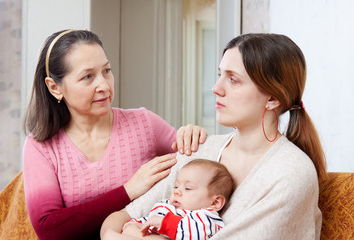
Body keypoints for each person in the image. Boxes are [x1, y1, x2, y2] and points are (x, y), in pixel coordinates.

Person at [100, 33, 327, 240]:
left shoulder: (291, 172)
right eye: (220, 75)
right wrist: (112, 234)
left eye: (233, 79)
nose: (216, 88)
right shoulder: (199, 150)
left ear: (272, 98)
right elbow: (118, 219)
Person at [22, 29, 207, 240]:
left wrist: (194, 137)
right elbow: (50, 229)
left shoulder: (145, 123)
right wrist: (128, 191)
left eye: (107, 71)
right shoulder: (40, 147)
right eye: (87, 76)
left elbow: (203, 171)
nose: (103, 85)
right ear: (55, 87)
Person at [122, 159, 233, 240]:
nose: (176, 192)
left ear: (215, 202)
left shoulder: (206, 218)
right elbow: (149, 221)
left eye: (188, 188)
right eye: (176, 186)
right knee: (130, 228)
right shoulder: (165, 206)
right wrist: (137, 224)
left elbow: (198, 234)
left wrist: (164, 223)